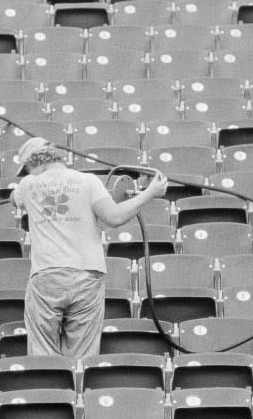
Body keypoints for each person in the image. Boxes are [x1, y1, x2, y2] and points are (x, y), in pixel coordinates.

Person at [10, 136, 169, 358]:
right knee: (82, 357)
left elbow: (13, 199)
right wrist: (150, 193)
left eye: (26, 168)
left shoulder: (27, 185)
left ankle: (48, 391)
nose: (27, 174)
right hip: (87, 275)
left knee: (42, 354)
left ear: (33, 163)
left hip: (47, 275)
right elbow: (113, 217)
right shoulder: (89, 181)